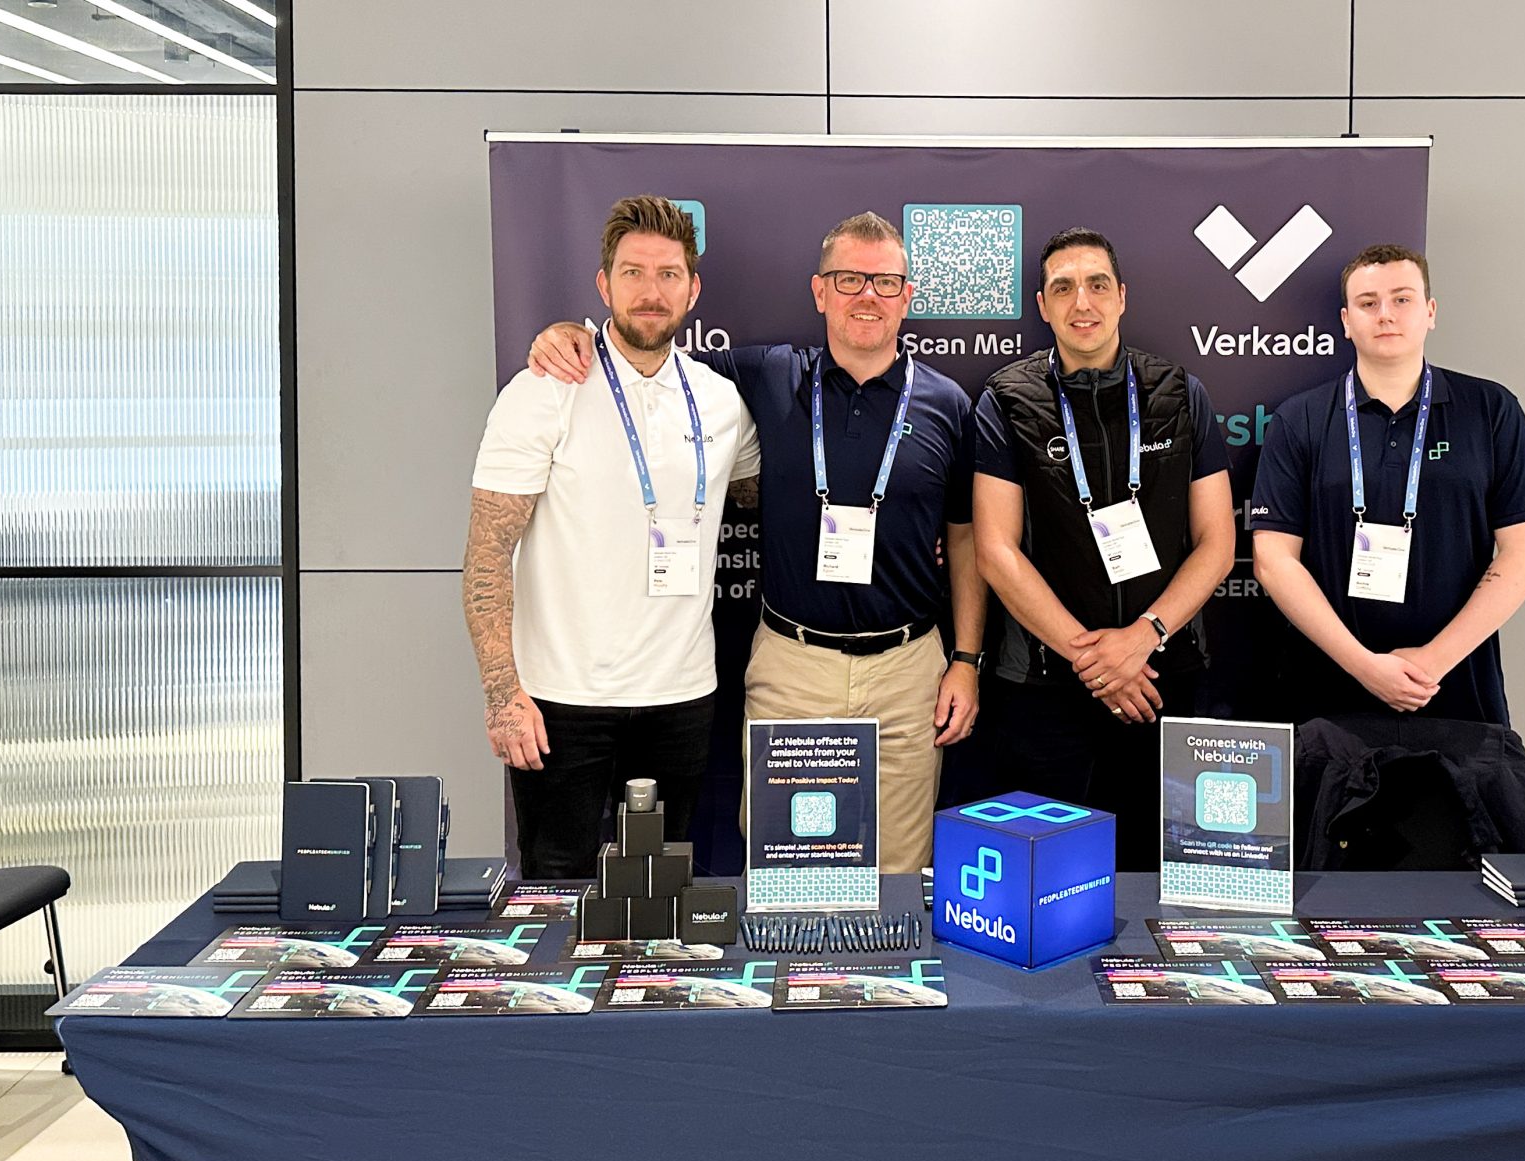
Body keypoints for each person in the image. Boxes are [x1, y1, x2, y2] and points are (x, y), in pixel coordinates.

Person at [526, 212, 982, 875]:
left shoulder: (948, 403)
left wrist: (965, 658)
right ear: (819, 291)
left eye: (885, 282)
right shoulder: (770, 374)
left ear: (907, 296)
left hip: (907, 671)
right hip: (793, 667)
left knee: (898, 873)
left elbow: (965, 541)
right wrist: (571, 335)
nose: (867, 296)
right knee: (785, 869)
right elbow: (646, 353)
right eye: (848, 279)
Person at [465, 195, 760, 878]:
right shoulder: (544, 389)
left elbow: (763, 495)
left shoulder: (720, 401)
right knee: (556, 885)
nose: (651, 291)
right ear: (604, 285)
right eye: (633, 273)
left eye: (668, 274)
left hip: (681, 695)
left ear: (692, 289)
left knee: (661, 886)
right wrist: (503, 695)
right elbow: (486, 556)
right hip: (561, 698)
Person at [971, 227, 1236, 869]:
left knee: (1158, 872)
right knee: (1043, 878)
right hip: (1044, 684)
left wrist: (1142, 638)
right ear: (1042, 305)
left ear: (1122, 296)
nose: (1082, 302)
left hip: (1161, 678)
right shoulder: (1006, 399)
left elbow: (1218, 543)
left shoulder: (1180, 393)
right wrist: (1094, 660)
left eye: (1096, 285)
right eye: (1063, 288)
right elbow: (996, 551)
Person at [1249, 243, 1525, 726]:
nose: (1385, 314)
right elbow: (1273, 560)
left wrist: (1431, 662)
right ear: (1346, 321)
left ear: (1430, 312)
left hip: (1457, 690)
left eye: (1402, 299)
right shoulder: (1299, 418)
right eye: (1368, 303)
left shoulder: (1490, 409)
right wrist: (1364, 666)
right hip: (1328, 693)